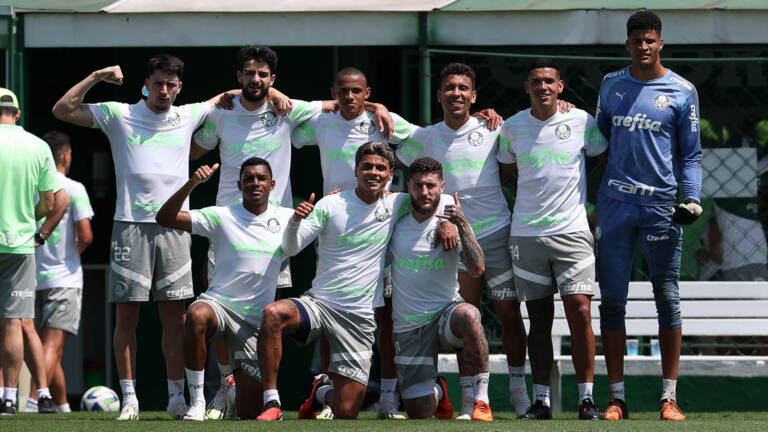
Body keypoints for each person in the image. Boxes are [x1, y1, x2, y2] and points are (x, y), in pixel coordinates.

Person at [51, 55, 244, 420]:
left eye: (171, 85)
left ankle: (176, 397)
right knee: (128, 318)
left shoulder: (187, 114)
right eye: (158, 84)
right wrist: (96, 75)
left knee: (175, 319)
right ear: (146, 84)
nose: (164, 91)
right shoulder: (119, 114)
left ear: (179, 87)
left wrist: (279, 96)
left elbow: (237, 92)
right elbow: (63, 109)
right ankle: (129, 398)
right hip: (130, 226)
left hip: (175, 227)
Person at [257, 142, 453, 421]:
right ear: (356, 170)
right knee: (272, 314)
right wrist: (294, 223)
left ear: (390, 175)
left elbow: (435, 195)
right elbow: (290, 248)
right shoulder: (331, 203)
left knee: (347, 411)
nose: (373, 172)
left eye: (380, 168)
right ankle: (271, 402)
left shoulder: (397, 202)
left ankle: (321, 393)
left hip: (359, 318)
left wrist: (448, 220)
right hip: (320, 305)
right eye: (367, 166)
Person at [188, 45, 315, 420]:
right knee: (214, 301)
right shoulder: (221, 113)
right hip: (226, 225)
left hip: (275, 228)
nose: (255, 79)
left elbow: (335, 106)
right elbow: (192, 149)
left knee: (268, 310)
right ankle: (225, 383)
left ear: (272, 79)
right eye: (249, 73)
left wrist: (375, 109)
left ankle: (264, 393)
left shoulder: (287, 110)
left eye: (263, 74)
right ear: (238, 76)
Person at [396, 62, 528, 417]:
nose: (456, 93)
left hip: (496, 233)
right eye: (449, 87)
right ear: (439, 95)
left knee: (509, 315)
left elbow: (504, 173)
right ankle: (471, 400)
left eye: (462, 88)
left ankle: (520, 395)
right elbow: (401, 165)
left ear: (473, 95)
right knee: (465, 322)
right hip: (451, 239)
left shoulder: (492, 129)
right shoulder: (423, 137)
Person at [291, 67, 418, 419]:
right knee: (333, 315)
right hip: (337, 226)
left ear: (368, 92)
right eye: (343, 91)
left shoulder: (384, 120)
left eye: (357, 92)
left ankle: (390, 398)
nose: (349, 98)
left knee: (387, 317)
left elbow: (429, 141)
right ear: (334, 92)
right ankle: (328, 388)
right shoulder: (322, 121)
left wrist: (379, 108)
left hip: (381, 228)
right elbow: (281, 111)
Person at [595, 10, 702, 421]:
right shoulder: (611, 85)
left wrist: (691, 198)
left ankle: (669, 398)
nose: (643, 46)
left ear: (661, 44)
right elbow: (596, 141)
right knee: (612, 303)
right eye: (636, 40)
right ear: (628, 45)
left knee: (668, 299)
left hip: (662, 208)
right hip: (616, 204)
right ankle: (617, 398)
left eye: (650, 40)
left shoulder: (681, 90)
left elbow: (691, 154)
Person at [498, 59, 607, 420]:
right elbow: (504, 173)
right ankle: (541, 401)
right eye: (536, 82)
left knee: (580, 312)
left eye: (549, 82)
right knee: (538, 320)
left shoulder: (581, 121)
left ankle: (587, 399)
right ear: (526, 87)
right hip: (527, 236)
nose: (543, 87)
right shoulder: (511, 127)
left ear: (560, 86)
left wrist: (597, 211)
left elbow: (605, 160)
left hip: (574, 233)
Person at [156, 157, 294, 420]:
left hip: (255, 324)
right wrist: (193, 183)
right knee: (196, 315)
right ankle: (197, 402)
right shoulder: (221, 215)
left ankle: (233, 391)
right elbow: (165, 217)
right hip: (219, 307)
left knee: (249, 412)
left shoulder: (288, 218)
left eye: (261, 178)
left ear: (272, 184)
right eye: (249, 179)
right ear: (239, 184)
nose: (255, 183)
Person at [389, 156, 492, 421]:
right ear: (409, 187)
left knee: (469, 315)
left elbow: (478, 268)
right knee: (419, 413)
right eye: (419, 186)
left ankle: (479, 401)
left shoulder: (451, 220)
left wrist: (462, 224)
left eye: (431, 186)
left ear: (442, 186)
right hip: (409, 327)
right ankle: (440, 391)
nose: (425, 192)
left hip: (445, 315)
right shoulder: (395, 221)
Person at [0, 88, 69, 415]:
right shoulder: (38, 146)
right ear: (18, 113)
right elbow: (55, 201)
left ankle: (13, 395)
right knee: (16, 322)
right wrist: (36, 225)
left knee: (16, 324)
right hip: (20, 245)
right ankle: (11, 397)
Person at [24, 131, 93, 414]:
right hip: (64, 278)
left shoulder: (33, 187)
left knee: (51, 349)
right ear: (65, 156)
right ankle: (30, 403)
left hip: (31, 276)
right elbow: (86, 236)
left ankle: (63, 407)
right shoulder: (74, 188)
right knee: (51, 345)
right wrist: (70, 253)